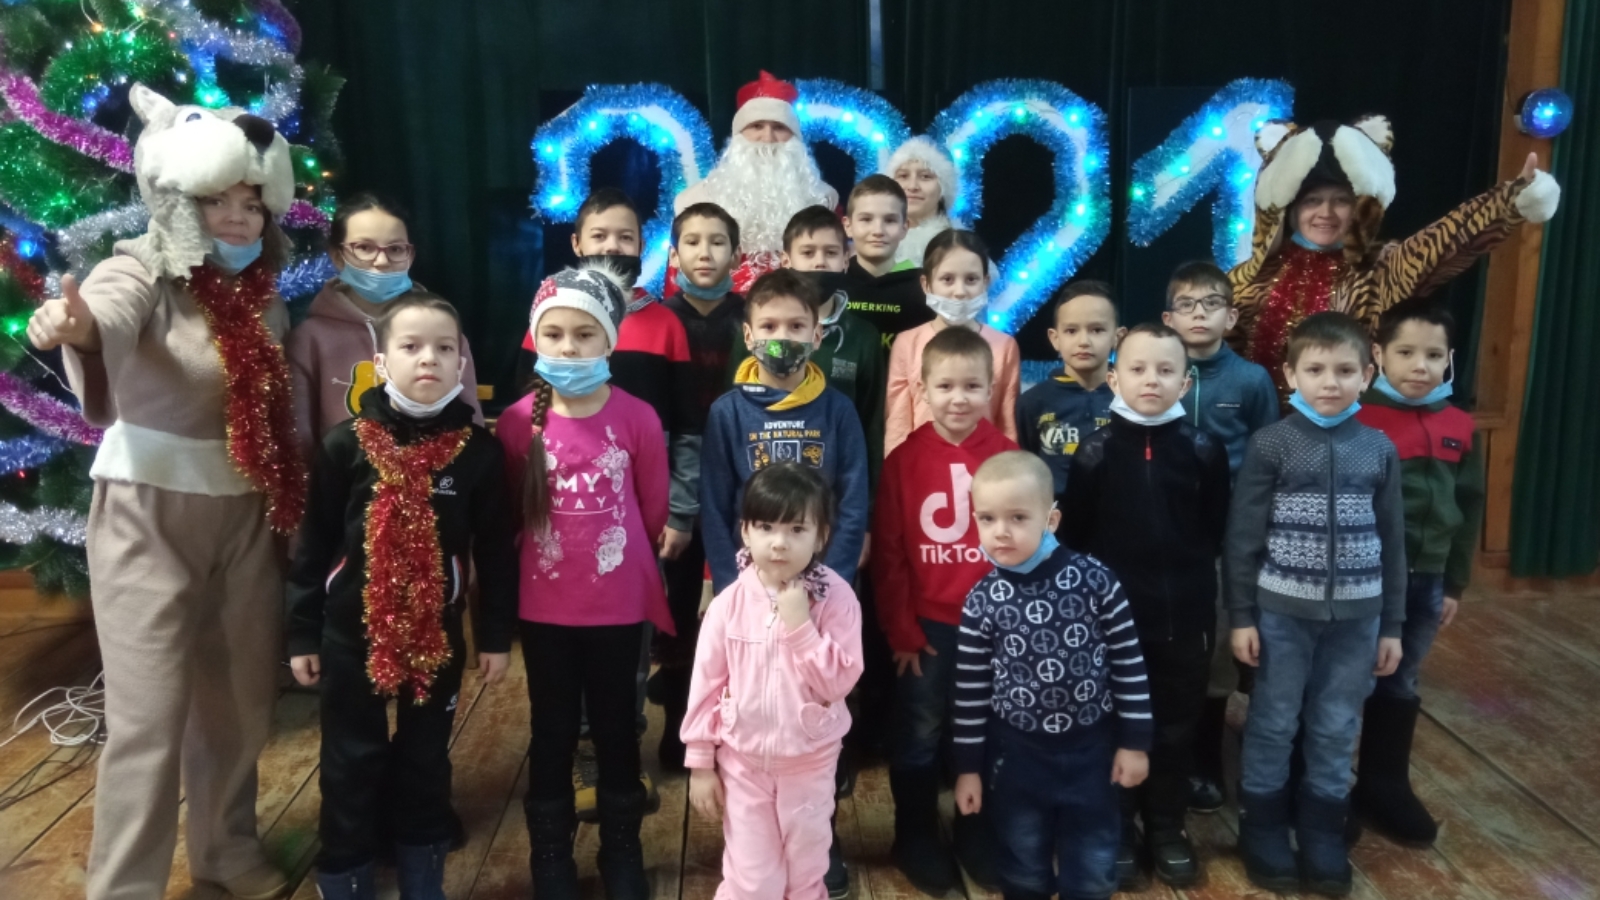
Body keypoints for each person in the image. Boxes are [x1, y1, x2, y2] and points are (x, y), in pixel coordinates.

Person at [25, 84, 301, 900]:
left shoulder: (264, 298)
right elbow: (106, 313)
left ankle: (228, 852)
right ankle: (124, 887)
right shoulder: (139, 267)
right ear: (180, 199)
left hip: (246, 516)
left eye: (251, 203)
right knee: (146, 720)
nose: (239, 218)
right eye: (219, 201)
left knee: (239, 705)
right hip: (148, 515)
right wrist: (74, 327)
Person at [286, 294, 517, 900]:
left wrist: (494, 636)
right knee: (350, 760)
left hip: (436, 638)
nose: (429, 359)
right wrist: (302, 632)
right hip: (350, 637)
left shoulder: (479, 454)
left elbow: (496, 551)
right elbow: (314, 544)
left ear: (461, 362)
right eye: (411, 346)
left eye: (444, 348)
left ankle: (422, 875)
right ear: (382, 362)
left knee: (425, 761)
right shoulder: (345, 446)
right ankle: (346, 875)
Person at [498, 264, 674, 899]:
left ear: (609, 340)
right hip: (545, 610)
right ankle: (551, 857)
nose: (568, 348)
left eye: (584, 335)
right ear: (535, 339)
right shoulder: (517, 421)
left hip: (617, 607)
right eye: (554, 335)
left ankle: (621, 851)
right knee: (550, 730)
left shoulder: (638, 417)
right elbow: (512, 513)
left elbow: (651, 511)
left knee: (615, 727)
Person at [1226, 312, 1406, 897]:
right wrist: (1242, 616)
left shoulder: (1378, 448)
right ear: (1290, 374)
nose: (1330, 382)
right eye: (1316, 369)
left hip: (1358, 620)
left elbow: (1393, 542)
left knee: (1336, 724)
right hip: (1282, 615)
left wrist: (1392, 625)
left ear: (1367, 375)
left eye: (1345, 370)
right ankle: (1262, 826)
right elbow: (1243, 538)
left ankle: (1323, 829)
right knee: (1274, 721)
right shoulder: (1271, 444)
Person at [1059, 323, 1231, 889]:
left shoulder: (1204, 451)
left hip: (1185, 620)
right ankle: (1119, 829)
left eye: (1165, 370)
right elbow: (1077, 537)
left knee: (1176, 727)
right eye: (1137, 369)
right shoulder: (1095, 453)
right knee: (1114, 726)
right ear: (1115, 378)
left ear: (1186, 382)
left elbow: (1214, 529)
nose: (1151, 380)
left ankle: (1166, 827)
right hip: (1113, 624)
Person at [1229, 117, 1560, 402]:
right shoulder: (1248, 278)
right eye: (1312, 201)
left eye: (1341, 201)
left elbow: (1444, 244)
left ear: (1359, 209)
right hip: (1255, 437)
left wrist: (1507, 202)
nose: (1325, 213)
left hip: (1350, 437)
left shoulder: (1378, 268)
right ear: (1290, 209)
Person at [951, 451, 1153, 900]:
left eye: (1018, 517)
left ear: (1051, 520)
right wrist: (968, 770)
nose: (1001, 531)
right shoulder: (982, 600)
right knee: (1022, 866)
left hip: (1092, 753)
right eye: (987, 518)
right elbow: (969, 695)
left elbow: (1129, 664)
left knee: (1094, 866)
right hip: (1017, 757)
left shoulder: (1096, 581)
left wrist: (1135, 743)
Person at [873, 326, 1016, 894]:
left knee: (985, 731)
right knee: (920, 730)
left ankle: (975, 830)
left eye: (972, 386)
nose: (959, 398)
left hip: (996, 630)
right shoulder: (903, 461)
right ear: (923, 390)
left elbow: (1026, 550)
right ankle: (913, 833)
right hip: (929, 629)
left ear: (991, 388)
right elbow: (889, 555)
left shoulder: (1009, 458)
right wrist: (901, 630)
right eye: (946, 386)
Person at [681, 462, 865, 900]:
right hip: (743, 765)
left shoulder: (836, 599)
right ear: (745, 531)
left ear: (821, 536)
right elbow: (706, 685)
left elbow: (838, 684)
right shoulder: (728, 604)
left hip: (810, 765)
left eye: (797, 529)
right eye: (766, 527)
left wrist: (801, 627)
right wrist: (701, 762)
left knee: (806, 873)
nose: (779, 542)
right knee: (752, 879)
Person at [1350, 301, 1484, 847]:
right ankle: (1325, 786)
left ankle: (1383, 784)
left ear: (1449, 360)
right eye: (1405, 352)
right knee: (1347, 675)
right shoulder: (1358, 419)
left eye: (1433, 355)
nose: (1419, 366)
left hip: (1427, 579)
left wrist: (1454, 583)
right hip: (1367, 578)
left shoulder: (1459, 425)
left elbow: (1469, 506)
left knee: (1402, 677)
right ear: (1379, 354)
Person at [1160, 260, 1278, 814]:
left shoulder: (1251, 381)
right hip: (1167, 532)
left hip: (1228, 538)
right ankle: (1165, 755)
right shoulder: (1155, 369)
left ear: (1231, 317)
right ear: (1168, 318)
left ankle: (1206, 759)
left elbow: (1267, 460)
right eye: (1186, 304)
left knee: (1218, 650)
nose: (1199, 314)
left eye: (1211, 303)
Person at [700, 269, 870, 594]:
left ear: (816, 335)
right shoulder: (727, 413)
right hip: (748, 584)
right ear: (748, 336)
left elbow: (853, 504)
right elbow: (714, 508)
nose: (782, 338)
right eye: (768, 326)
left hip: (822, 582)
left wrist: (831, 584)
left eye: (796, 326)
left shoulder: (838, 410)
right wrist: (730, 586)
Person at [287, 192, 484, 463]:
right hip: (347, 485)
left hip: (439, 480)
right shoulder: (310, 339)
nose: (381, 261)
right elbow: (300, 438)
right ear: (337, 255)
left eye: (395, 249)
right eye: (364, 247)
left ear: (410, 255)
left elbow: (470, 423)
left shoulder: (443, 333)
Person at [654, 201, 746, 772]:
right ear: (674, 254)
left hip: (743, 480)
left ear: (736, 254)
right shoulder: (659, 319)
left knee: (743, 603)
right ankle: (679, 727)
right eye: (692, 241)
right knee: (678, 607)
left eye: (717, 241)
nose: (704, 252)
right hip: (679, 485)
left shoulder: (752, 318)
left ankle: (740, 720)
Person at [731, 205, 888, 470]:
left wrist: (867, 492)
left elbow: (870, 425)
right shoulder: (756, 333)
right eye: (807, 252)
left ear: (846, 260)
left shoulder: (863, 336)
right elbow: (733, 406)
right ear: (786, 261)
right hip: (759, 475)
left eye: (831, 253)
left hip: (835, 479)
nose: (819, 262)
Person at [673, 70, 839, 292]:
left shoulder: (824, 199)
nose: (768, 138)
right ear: (738, 136)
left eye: (779, 127)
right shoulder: (694, 200)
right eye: (756, 126)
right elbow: (678, 282)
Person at [885, 229, 1020, 454]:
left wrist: (1007, 468)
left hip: (986, 468)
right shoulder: (907, 343)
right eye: (947, 279)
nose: (960, 292)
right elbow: (898, 423)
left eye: (971, 279)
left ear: (985, 282)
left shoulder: (1004, 346)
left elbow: (1007, 424)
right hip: (922, 465)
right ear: (926, 284)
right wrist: (896, 468)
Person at [1017, 280, 1122, 507]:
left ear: (1117, 337)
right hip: (1054, 522)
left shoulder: (1132, 400)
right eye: (1071, 331)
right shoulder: (1032, 403)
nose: (1083, 341)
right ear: (1055, 338)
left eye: (1097, 330)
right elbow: (1025, 469)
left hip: (1118, 519)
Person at [839, 176, 933, 350]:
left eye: (889, 220)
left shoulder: (926, 290)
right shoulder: (832, 286)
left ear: (905, 227)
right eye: (866, 219)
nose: (878, 231)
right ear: (848, 226)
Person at [886, 136, 962, 269]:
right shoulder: (874, 242)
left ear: (943, 189)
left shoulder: (960, 248)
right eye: (903, 176)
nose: (912, 186)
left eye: (926, 176)